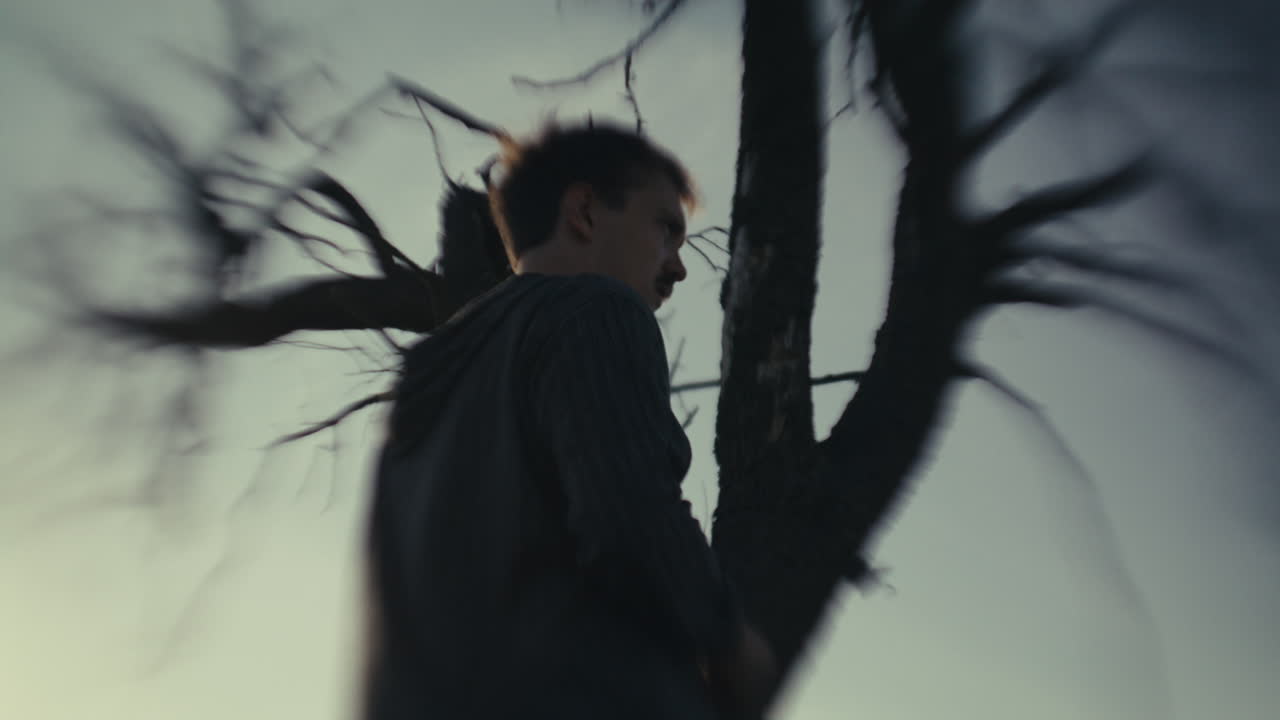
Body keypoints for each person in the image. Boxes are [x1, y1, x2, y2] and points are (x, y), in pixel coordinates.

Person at [360, 121, 776, 720]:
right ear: (584, 210)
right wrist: (731, 640)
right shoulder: (596, 309)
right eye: (665, 229)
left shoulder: (422, 376)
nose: (678, 268)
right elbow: (630, 516)